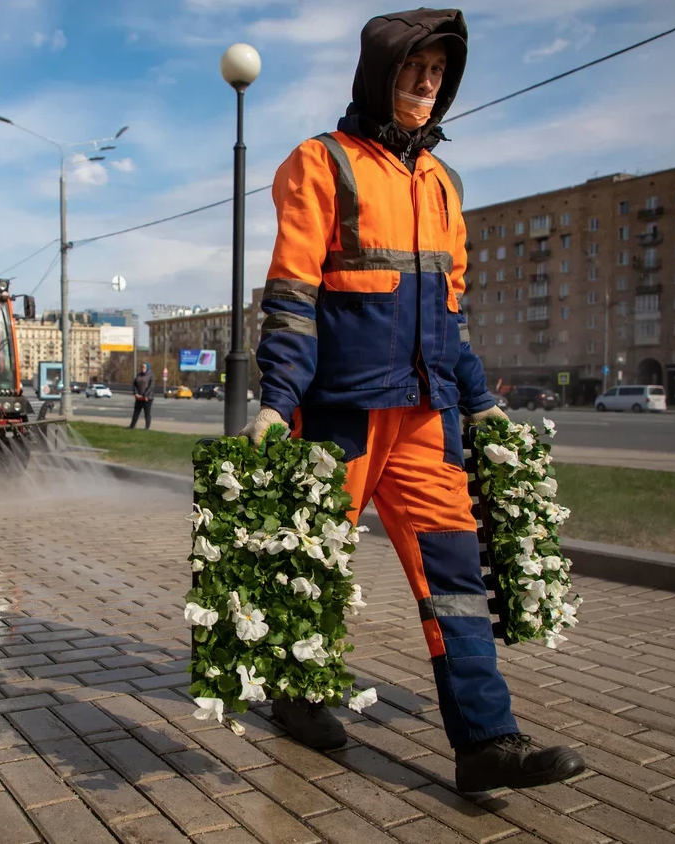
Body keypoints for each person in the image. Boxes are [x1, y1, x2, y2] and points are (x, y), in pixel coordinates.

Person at [240, 8, 585, 793]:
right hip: (339, 413)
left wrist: (479, 401)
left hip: (429, 414)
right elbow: (292, 292)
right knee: (311, 564)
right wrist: (274, 399)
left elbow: (448, 309)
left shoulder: (441, 180)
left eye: (436, 71)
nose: (425, 83)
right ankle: (295, 694)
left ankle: (485, 743)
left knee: (456, 580)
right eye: (411, 68)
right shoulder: (321, 161)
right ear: (378, 74)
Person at [128, 363, 154, 429]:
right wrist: (136, 393)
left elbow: (151, 386)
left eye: (144, 367)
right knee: (136, 412)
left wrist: (145, 395)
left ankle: (147, 427)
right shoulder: (138, 375)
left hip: (147, 398)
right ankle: (132, 426)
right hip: (138, 397)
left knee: (147, 413)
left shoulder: (151, 376)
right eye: (142, 367)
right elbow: (134, 384)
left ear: (147, 368)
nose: (143, 368)